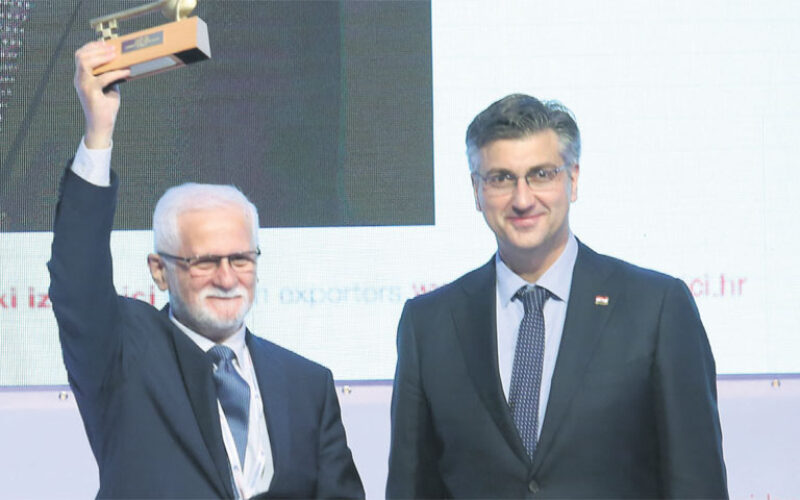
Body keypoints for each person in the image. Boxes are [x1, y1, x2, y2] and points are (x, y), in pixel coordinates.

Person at [48, 41, 364, 499]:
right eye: (205, 262)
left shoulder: (306, 384)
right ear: (159, 270)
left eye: (241, 259)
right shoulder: (122, 357)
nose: (227, 278)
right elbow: (77, 280)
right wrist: (99, 131)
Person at [386, 93, 728, 498]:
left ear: (573, 179)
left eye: (541, 174)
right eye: (501, 178)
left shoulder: (656, 309)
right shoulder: (429, 325)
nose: (522, 199)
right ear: (476, 191)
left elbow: (697, 484)